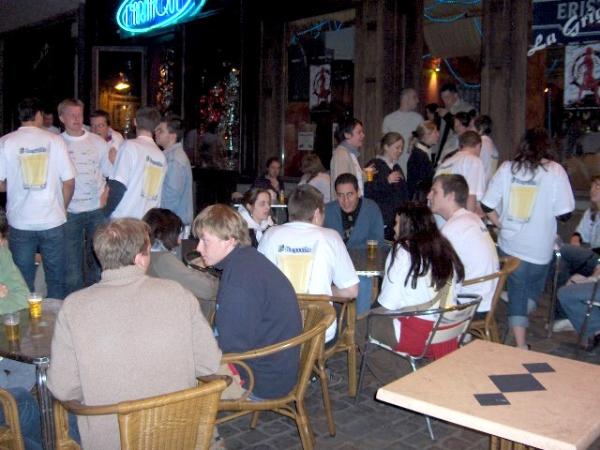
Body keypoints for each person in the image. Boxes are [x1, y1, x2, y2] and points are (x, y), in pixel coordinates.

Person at [47, 218, 221, 449]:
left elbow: (63, 388)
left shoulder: (73, 306)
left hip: (113, 441)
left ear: (100, 255)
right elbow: (208, 364)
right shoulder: (177, 293)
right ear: (140, 258)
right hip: (179, 435)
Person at [193, 205, 302, 400]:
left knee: (176, 365)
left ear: (229, 240)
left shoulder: (239, 280)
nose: (198, 248)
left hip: (259, 380)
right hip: (276, 368)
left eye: (205, 241)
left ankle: (189, 417)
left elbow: (231, 347)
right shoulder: (248, 260)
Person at [481, 128, 575, 349]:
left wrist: (500, 224)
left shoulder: (507, 169)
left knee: (520, 291)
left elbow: (486, 205)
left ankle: (516, 313)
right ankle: (521, 344)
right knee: (530, 291)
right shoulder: (555, 171)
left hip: (511, 244)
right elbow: (565, 214)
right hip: (540, 246)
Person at [258, 185, 359, 342]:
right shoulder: (331, 237)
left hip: (277, 333)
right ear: (317, 213)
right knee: (341, 316)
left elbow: (257, 285)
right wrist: (325, 290)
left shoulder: (270, 235)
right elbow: (351, 291)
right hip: (317, 333)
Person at [0, 97, 76, 299]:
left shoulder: (6, 142)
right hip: (52, 220)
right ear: (38, 115)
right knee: (56, 278)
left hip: (20, 222)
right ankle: (55, 316)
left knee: (22, 280)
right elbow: (69, 182)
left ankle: (26, 317)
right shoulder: (55, 141)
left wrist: (13, 185)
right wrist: (63, 208)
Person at [374, 202, 465, 359]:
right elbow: (457, 289)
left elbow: (388, 303)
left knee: (360, 327)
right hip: (449, 333)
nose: (393, 228)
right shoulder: (444, 247)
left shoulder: (403, 250)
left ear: (407, 226)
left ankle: (404, 372)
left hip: (419, 336)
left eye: (397, 223)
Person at [59, 98, 112, 295]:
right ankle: (74, 303)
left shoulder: (97, 142)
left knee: (99, 262)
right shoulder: (57, 142)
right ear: (62, 118)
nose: (77, 119)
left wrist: (106, 194)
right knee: (71, 266)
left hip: (96, 210)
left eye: (79, 114)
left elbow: (111, 173)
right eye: (71, 115)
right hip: (69, 212)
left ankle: (97, 300)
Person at [428, 174, 499, 316]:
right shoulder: (472, 218)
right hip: (485, 298)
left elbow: (437, 274)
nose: (428, 196)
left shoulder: (454, 228)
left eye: (434, 192)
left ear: (450, 196)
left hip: (470, 304)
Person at [324, 173, 385, 315]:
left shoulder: (371, 208)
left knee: (362, 281)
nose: (345, 200)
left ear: (358, 192)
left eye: (350, 194)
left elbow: (378, 241)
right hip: (333, 265)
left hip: (361, 266)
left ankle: (360, 322)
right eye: (340, 195)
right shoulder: (327, 210)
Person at [143, 208, 218, 319]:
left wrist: (192, 269)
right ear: (169, 233)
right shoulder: (162, 259)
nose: (179, 240)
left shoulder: (146, 255)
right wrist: (217, 278)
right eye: (178, 233)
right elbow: (208, 290)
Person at [105, 106, 167, 219]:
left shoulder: (129, 146)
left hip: (124, 220)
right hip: (147, 220)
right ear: (155, 127)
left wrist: (104, 213)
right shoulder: (161, 156)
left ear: (135, 122)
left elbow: (118, 186)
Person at [365, 132, 409, 240]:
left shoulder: (397, 167)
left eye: (401, 148)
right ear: (386, 147)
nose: (400, 151)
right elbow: (368, 191)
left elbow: (404, 194)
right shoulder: (373, 165)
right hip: (381, 219)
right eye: (397, 147)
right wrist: (387, 181)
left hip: (397, 219)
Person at [155, 114, 194, 229]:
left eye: (161, 131)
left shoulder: (175, 160)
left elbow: (170, 198)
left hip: (172, 225)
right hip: (171, 223)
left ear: (172, 136)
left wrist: (159, 220)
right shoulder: (170, 157)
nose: (156, 133)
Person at [435, 130, 486, 214]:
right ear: (478, 146)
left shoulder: (445, 163)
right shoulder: (474, 161)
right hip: (456, 216)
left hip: (438, 216)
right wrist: (469, 218)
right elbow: (471, 195)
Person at [381, 88, 424, 175]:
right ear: (405, 98)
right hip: (394, 165)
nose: (418, 101)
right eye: (414, 97)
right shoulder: (389, 119)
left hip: (413, 165)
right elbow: (384, 144)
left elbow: (423, 142)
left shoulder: (419, 119)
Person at [435, 83, 476, 165]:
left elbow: (465, 129)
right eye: (442, 98)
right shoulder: (443, 109)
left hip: (457, 151)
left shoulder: (468, 109)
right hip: (443, 150)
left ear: (456, 95)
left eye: (447, 97)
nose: (445, 101)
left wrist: (447, 116)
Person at [330, 118, 367, 196]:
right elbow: (343, 186)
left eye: (362, 132)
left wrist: (364, 175)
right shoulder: (341, 155)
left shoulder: (350, 153)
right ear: (347, 135)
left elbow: (354, 182)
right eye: (359, 132)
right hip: (348, 203)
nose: (363, 135)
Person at [407, 121, 439, 202]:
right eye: (435, 132)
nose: (438, 135)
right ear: (427, 135)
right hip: (419, 200)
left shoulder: (422, 153)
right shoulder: (419, 155)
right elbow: (425, 181)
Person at [474, 115, 499, 185]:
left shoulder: (479, 143)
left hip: (478, 185)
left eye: (473, 127)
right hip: (489, 185)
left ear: (481, 128)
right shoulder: (493, 146)